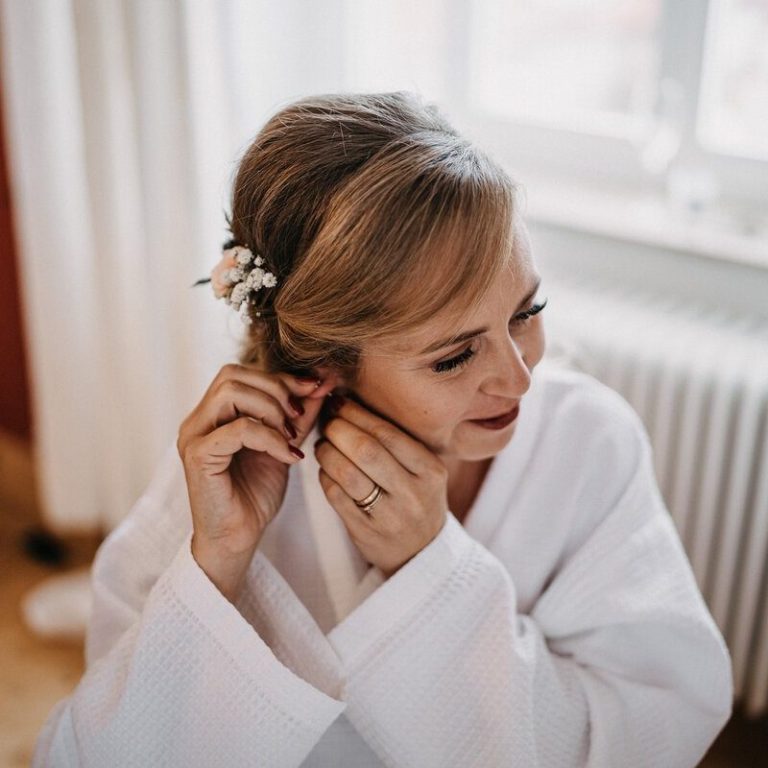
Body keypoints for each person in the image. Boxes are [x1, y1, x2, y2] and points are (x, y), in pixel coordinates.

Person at [33, 91, 732, 767]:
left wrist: (431, 570)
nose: (519, 378)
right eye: (454, 357)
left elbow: (650, 731)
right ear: (328, 365)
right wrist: (216, 564)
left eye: (527, 312)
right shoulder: (232, 471)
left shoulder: (589, 440)